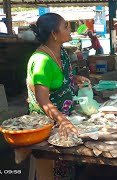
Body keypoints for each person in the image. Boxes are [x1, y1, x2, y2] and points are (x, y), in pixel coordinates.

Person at [29, 13, 91, 179]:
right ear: (54, 34)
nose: (69, 29)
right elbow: (43, 100)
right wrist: (63, 120)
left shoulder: (61, 53)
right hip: (47, 126)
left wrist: (75, 78)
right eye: (65, 26)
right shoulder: (42, 60)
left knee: (70, 166)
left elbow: (61, 78)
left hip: (64, 119)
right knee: (52, 169)